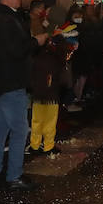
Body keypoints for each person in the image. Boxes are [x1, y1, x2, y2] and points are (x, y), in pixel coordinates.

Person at [0, 0, 48, 188]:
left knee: (1, 128)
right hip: (11, 82)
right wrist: (36, 41)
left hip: (2, 82)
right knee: (19, 130)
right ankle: (14, 175)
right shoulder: (6, 19)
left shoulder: (0, 17)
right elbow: (16, 50)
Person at [29, 28, 73, 158]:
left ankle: (35, 144)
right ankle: (48, 146)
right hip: (51, 96)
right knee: (50, 122)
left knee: (36, 120)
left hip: (37, 95)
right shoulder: (57, 58)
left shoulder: (38, 56)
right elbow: (63, 79)